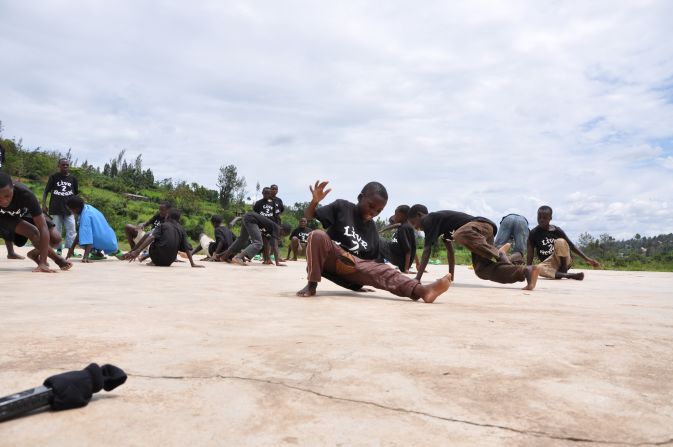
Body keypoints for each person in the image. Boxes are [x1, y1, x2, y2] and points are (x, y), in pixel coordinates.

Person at [296, 180, 451, 303]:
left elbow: (372, 263)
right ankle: (311, 285)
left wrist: (366, 281)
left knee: (385, 270)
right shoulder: (342, 207)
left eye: (378, 211)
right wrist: (315, 201)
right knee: (316, 235)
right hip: (331, 257)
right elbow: (309, 215)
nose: (373, 212)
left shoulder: (372, 229)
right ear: (360, 197)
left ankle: (423, 291)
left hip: (353, 267)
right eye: (371, 206)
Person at [408, 205, 538, 290]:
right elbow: (450, 252)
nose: (416, 228)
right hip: (482, 235)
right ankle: (525, 271)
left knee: (460, 234)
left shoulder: (429, 219)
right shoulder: (442, 230)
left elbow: (426, 250)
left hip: (482, 225)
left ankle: (499, 254)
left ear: (420, 215)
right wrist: (451, 276)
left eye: (414, 223)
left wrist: (418, 278)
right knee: (482, 270)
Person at [0, 172, 72, 272]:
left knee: (56, 238)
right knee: (33, 232)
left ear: (13, 187)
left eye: (7, 196)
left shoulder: (25, 194)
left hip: (25, 211)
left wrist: (43, 262)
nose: (3, 201)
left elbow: (43, 227)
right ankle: (58, 259)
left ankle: (34, 254)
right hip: (5, 217)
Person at [527, 205, 600, 280]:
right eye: (539, 217)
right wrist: (528, 269)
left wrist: (587, 259)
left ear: (550, 218)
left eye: (544, 218)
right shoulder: (533, 233)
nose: (541, 220)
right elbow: (530, 252)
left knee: (560, 241)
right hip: (549, 263)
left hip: (564, 260)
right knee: (538, 268)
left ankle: (564, 269)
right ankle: (568, 275)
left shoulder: (557, 231)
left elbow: (571, 246)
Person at [123, 209, 203, 268]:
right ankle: (147, 257)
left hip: (156, 259)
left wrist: (137, 251)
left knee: (154, 239)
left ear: (168, 216)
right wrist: (192, 263)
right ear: (178, 219)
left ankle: (152, 261)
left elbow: (151, 237)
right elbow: (186, 247)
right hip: (169, 261)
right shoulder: (181, 229)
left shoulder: (162, 225)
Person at [218, 212, 290, 266]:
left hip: (247, 217)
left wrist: (268, 258)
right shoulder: (277, 229)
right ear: (282, 230)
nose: (281, 236)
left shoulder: (271, 229)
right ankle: (238, 258)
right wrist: (277, 262)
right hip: (251, 219)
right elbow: (275, 246)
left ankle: (224, 257)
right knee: (258, 243)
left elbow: (267, 242)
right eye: (283, 235)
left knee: (242, 238)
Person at [64, 195, 122, 262]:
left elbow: (88, 237)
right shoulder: (88, 208)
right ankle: (101, 253)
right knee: (81, 234)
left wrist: (85, 257)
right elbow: (82, 231)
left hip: (103, 241)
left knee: (80, 237)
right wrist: (72, 248)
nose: (71, 212)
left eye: (70, 209)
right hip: (111, 240)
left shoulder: (85, 217)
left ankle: (95, 252)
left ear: (76, 208)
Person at [42, 158, 79, 256]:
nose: (65, 166)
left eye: (67, 165)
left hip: (69, 209)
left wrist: (76, 208)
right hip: (56, 208)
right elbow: (46, 191)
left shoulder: (73, 179)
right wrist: (43, 204)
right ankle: (58, 250)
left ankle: (71, 250)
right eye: (63, 165)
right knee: (57, 230)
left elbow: (75, 194)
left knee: (71, 229)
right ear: (59, 166)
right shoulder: (54, 177)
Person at [378, 205, 420, 273]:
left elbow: (408, 250)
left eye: (396, 214)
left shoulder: (403, 229)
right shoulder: (405, 226)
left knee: (377, 239)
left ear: (403, 216)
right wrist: (382, 230)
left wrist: (406, 269)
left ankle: (379, 265)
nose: (394, 216)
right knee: (378, 240)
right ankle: (379, 264)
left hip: (397, 258)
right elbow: (396, 225)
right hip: (398, 258)